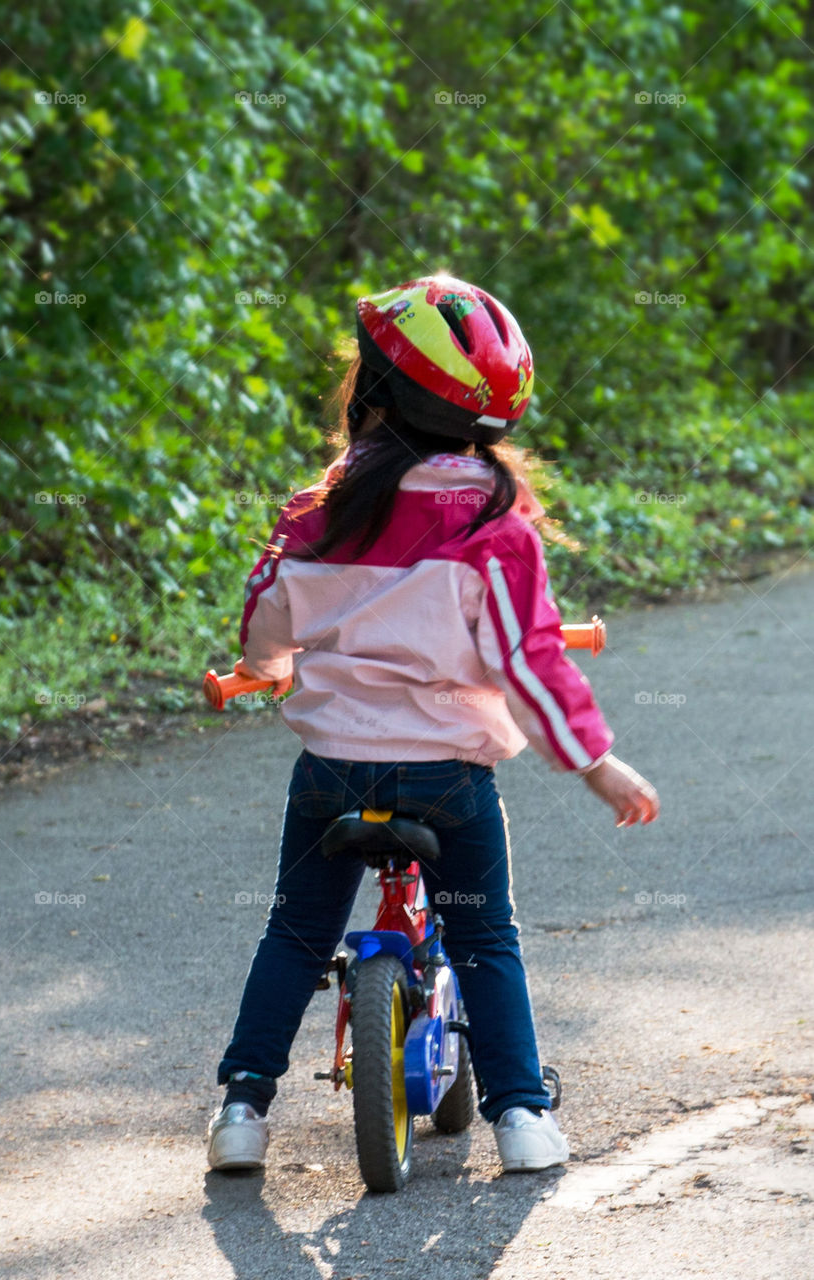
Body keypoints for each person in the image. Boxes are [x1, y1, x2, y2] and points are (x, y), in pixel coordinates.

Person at [207, 274, 659, 1176]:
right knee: (485, 934)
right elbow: (529, 659)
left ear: (370, 397)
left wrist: (265, 673)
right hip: (448, 777)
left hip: (333, 770)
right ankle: (523, 1117)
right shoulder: (494, 524)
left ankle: (240, 1111)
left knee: (296, 933)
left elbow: (265, 618)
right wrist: (597, 763)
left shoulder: (317, 510)